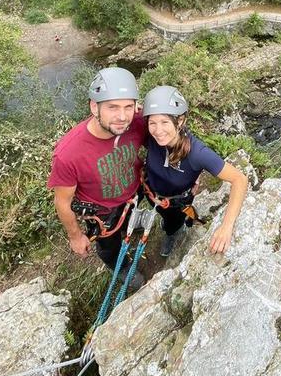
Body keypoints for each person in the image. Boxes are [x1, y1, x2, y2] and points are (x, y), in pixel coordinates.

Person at [47, 67, 146, 287]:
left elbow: (165, 128)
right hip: (103, 213)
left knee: (131, 219)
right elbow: (62, 202)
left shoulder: (137, 121)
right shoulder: (68, 153)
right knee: (109, 246)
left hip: (133, 193)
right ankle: (121, 268)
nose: (122, 116)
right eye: (112, 107)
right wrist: (75, 236)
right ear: (94, 106)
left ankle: (132, 226)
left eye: (128, 106)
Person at [141, 86, 249, 257]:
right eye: (152, 122)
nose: (158, 130)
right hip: (150, 191)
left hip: (175, 203)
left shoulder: (197, 153)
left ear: (180, 121)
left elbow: (239, 180)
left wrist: (226, 227)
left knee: (172, 223)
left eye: (164, 122)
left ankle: (171, 232)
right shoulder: (151, 136)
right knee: (162, 214)